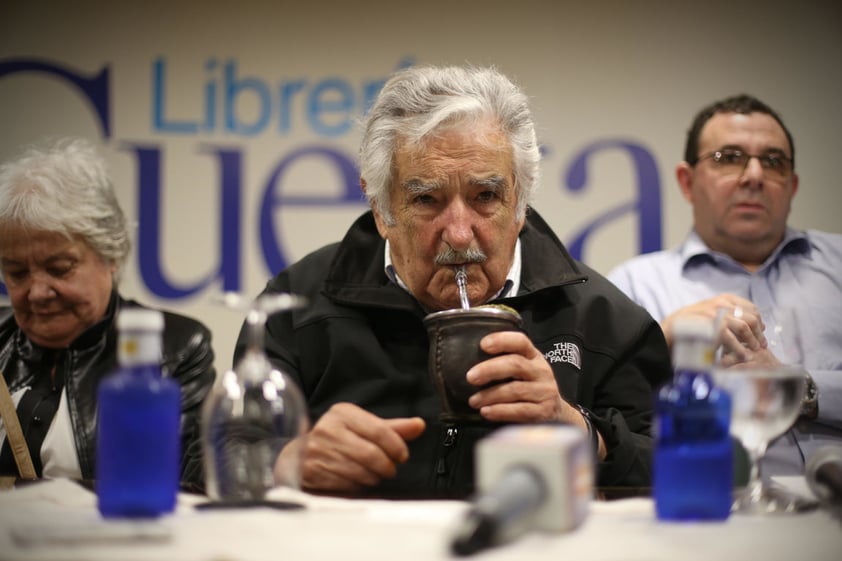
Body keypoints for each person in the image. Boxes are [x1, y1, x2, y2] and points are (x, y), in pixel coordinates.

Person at [234, 65, 672, 499]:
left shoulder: (605, 321)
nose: (459, 234)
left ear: (519, 202)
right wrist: (290, 460)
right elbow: (203, 453)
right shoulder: (299, 305)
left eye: (485, 197)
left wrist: (575, 426)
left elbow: (677, 470)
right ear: (381, 208)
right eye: (426, 199)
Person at [608, 94, 842, 475]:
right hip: (709, 508)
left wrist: (801, 389)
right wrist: (660, 338)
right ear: (687, 182)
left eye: (773, 162)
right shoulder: (633, 287)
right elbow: (603, 414)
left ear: (792, 185)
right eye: (729, 158)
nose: (754, 176)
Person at [0, 137, 216, 489]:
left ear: (111, 254)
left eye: (60, 267)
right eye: (17, 272)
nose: (37, 293)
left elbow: (183, 490)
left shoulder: (172, 349)